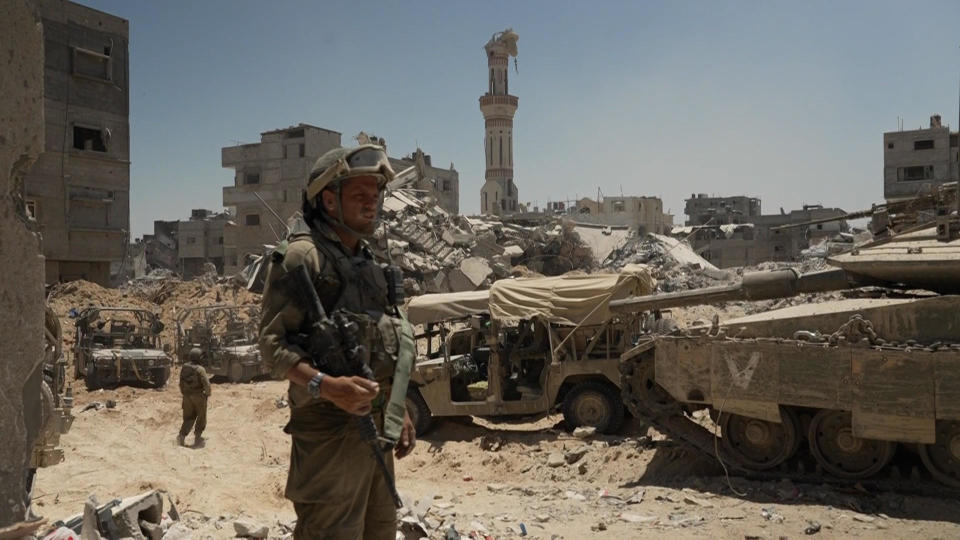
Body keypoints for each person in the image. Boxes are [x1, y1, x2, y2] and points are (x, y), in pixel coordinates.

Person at [259, 144, 417, 539]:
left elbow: (381, 344)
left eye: (375, 195)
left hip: (375, 428)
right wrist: (326, 386)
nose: (372, 205)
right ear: (329, 200)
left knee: (380, 531)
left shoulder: (367, 262)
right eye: (360, 196)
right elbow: (272, 346)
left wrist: (398, 410)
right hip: (328, 436)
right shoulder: (301, 258)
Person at [178, 348, 210, 447]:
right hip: (198, 396)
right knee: (201, 416)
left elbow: (181, 383)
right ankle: (198, 437)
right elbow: (207, 385)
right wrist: (207, 394)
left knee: (188, 418)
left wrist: (184, 393)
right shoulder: (200, 369)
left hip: (187, 396)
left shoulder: (184, 367)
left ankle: (182, 437)